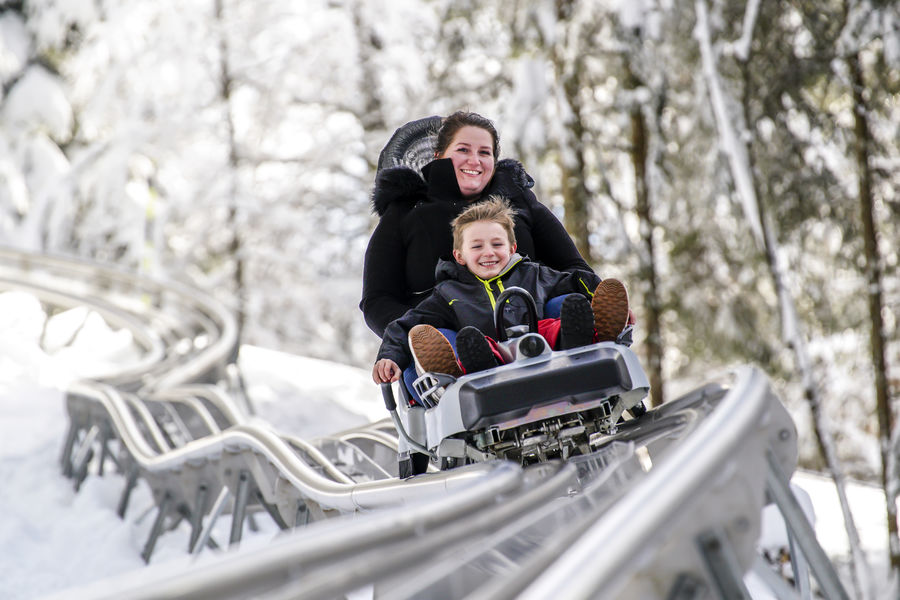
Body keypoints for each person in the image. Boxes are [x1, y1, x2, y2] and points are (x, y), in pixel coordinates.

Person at [360, 111, 593, 339]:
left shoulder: (519, 201)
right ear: (438, 155)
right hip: (451, 335)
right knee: (443, 342)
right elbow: (377, 299)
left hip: (538, 327)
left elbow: (573, 266)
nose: (475, 160)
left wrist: (588, 299)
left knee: (570, 304)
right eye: (463, 150)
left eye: (484, 152)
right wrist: (419, 331)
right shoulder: (405, 212)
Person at [372, 197, 631, 385]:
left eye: (497, 244)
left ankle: (587, 343)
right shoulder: (449, 293)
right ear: (459, 256)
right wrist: (389, 357)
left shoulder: (533, 274)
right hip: (488, 353)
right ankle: (468, 371)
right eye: (477, 247)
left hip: (542, 345)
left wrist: (603, 299)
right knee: (468, 341)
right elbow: (405, 325)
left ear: (511, 248)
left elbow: (575, 280)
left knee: (569, 308)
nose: (489, 252)